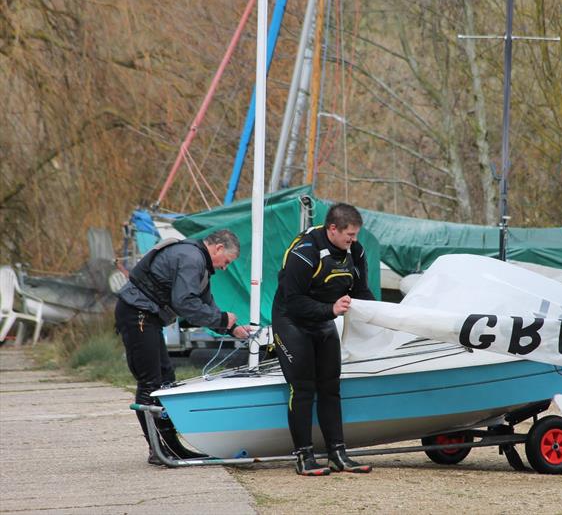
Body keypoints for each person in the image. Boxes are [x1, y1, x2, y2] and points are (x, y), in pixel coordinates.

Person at [115, 229, 252, 465]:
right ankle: (159, 450)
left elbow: (205, 304)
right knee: (151, 382)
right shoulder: (192, 258)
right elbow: (186, 303)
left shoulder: (198, 260)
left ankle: (170, 447)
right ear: (218, 248)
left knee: (165, 378)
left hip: (147, 316)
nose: (224, 267)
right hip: (137, 313)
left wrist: (233, 329)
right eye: (227, 261)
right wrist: (221, 320)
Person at [272, 203, 375, 476]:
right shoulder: (304, 253)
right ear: (332, 229)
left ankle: (337, 454)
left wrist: (385, 316)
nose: (353, 240)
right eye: (349, 235)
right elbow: (292, 302)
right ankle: (304, 456)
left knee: (331, 387)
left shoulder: (356, 251)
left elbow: (361, 291)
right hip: (291, 321)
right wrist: (329, 310)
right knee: (303, 388)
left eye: (355, 234)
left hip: (323, 321)